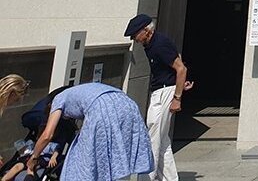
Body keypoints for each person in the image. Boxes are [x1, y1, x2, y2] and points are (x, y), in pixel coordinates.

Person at [25, 82, 153, 180]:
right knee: (121, 152)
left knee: (82, 160)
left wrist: (34, 157)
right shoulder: (81, 90)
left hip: (101, 107)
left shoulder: (58, 99)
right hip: (128, 104)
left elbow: (47, 135)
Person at [124, 13, 189, 181]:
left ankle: (147, 177)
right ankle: (169, 178)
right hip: (163, 90)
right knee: (162, 140)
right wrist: (179, 85)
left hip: (164, 92)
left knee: (152, 137)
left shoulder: (159, 43)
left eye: (135, 35)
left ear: (146, 30)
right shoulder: (151, 44)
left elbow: (181, 68)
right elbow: (177, 60)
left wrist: (177, 98)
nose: (134, 39)